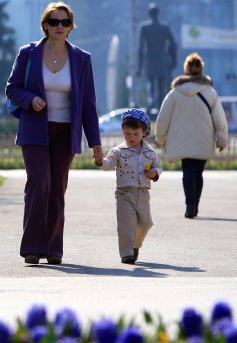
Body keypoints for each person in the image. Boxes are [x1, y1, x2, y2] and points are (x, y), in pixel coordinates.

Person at [5, 1, 102, 265]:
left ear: (71, 27)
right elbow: (12, 88)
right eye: (55, 22)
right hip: (35, 129)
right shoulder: (29, 53)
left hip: (65, 132)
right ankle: (33, 248)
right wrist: (30, 99)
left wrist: (95, 142)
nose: (60, 26)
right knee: (39, 182)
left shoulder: (82, 59)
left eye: (65, 22)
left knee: (57, 188)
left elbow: (88, 104)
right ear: (45, 26)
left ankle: (54, 248)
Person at [155, 53, 228, 219]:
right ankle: (195, 204)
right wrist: (222, 140)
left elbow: (163, 118)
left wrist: (160, 138)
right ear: (201, 69)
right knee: (198, 173)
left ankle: (189, 205)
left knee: (187, 171)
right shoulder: (210, 92)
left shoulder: (174, 93)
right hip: (204, 139)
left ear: (185, 70)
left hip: (181, 140)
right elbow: (220, 119)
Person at [96, 109, 162, 264]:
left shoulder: (150, 152)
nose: (131, 137)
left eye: (135, 133)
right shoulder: (118, 151)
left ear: (144, 132)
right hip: (124, 194)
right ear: (123, 131)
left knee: (146, 223)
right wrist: (100, 161)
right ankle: (126, 254)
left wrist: (155, 173)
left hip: (143, 193)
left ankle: (135, 245)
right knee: (126, 225)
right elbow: (108, 164)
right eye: (127, 133)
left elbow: (158, 166)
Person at [137, 3, 177, 109]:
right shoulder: (164, 28)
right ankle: (159, 105)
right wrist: (174, 61)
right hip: (162, 58)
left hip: (150, 58)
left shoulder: (144, 28)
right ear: (158, 14)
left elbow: (141, 48)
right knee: (161, 85)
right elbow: (173, 45)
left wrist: (139, 67)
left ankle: (152, 103)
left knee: (152, 84)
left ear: (150, 14)